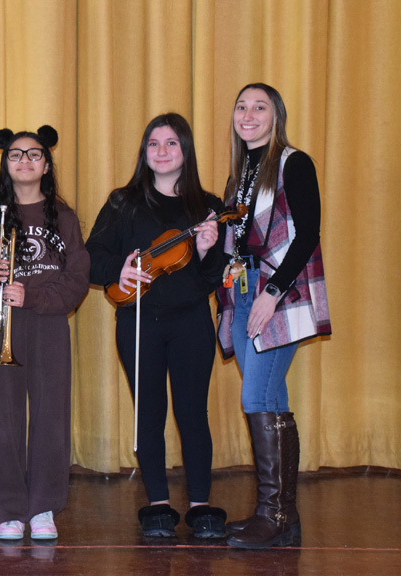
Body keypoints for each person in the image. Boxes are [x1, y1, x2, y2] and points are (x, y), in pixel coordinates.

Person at [85, 113, 228, 539]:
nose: (161, 151)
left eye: (171, 143)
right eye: (153, 144)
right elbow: (91, 256)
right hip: (138, 321)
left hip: (191, 322)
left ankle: (200, 503)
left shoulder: (208, 206)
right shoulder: (123, 201)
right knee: (148, 411)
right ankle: (158, 503)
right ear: (144, 152)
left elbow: (213, 278)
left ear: (186, 150)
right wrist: (119, 270)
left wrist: (207, 251)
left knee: (192, 411)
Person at [216, 83, 331, 549]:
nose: (248, 115)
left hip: (277, 292)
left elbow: (307, 235)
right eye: (241, 106)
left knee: (257, 398)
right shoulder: (239, 173)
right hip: (243, 291)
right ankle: (281, 515)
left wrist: (272, 293)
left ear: (276, 116)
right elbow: (237, 241)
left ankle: (275, 515)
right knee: (271, 398)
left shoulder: (293, 163)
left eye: (259, 107)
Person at [0, 126, 90, 541]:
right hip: (0, 326)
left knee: (51, 416)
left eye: (34, 154)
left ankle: (43, 507)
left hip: (48, 325)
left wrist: (31, 295)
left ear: (47, 165)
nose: (25, 161)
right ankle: (9, 509)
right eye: (15, 154)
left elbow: (77, 280)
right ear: (6, 164)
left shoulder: (64, 218)